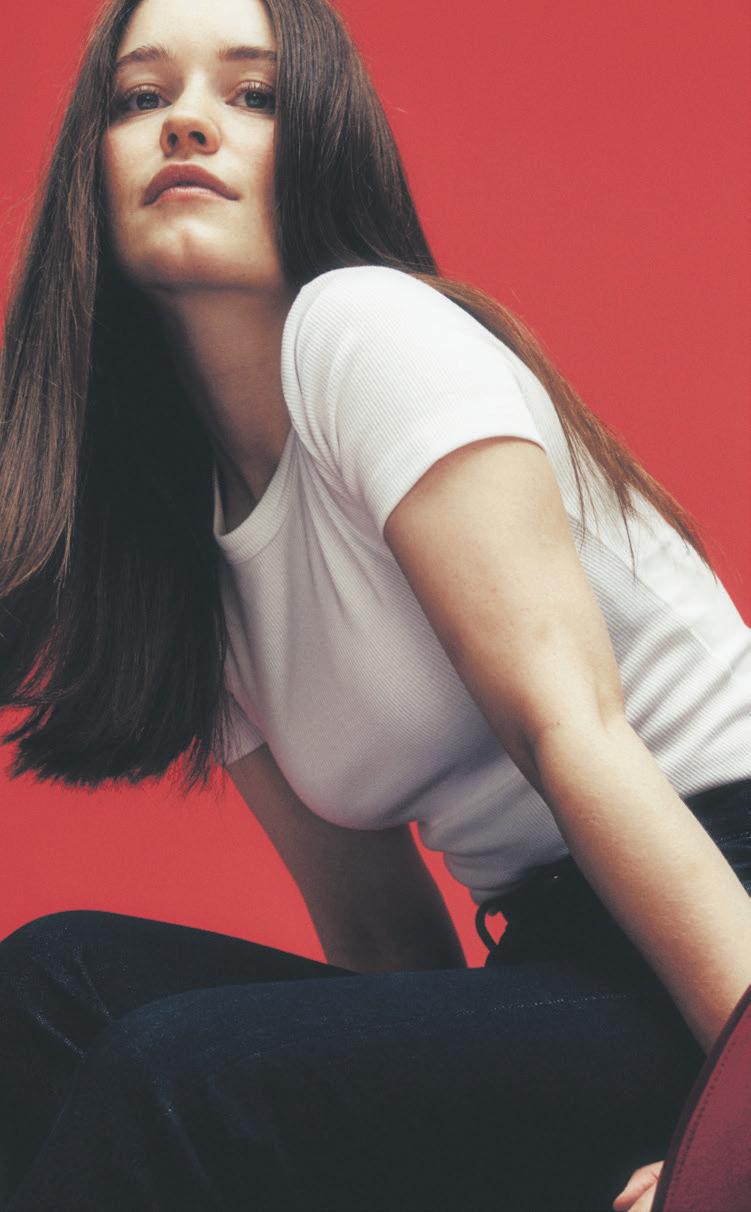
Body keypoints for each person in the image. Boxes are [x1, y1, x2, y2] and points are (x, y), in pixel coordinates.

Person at [0, 0, 749, 1207]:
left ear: (327, 145)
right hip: (556, 971)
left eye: (253, 95)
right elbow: (385, 950)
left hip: (720, 928)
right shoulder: (177, 541)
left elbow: (576, 732)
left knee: (183, 1073)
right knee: (52, 983)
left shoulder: (367, 331)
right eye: (142, 97)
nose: (188, 122)